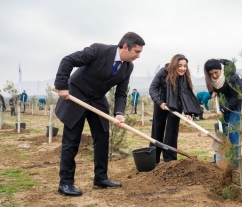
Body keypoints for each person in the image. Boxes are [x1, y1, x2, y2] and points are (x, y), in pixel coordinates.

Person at [54, 32, 145, 196]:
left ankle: (101, 178)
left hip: (97, 100)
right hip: (76, 95)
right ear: (125, 47)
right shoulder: (98, 51)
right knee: (71, 141)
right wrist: (62, 86)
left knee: (102, 138)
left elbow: (121, 93)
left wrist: (119, 113)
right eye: (136, 52)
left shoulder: (127, 67)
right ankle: (65, 183)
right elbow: (68, 60)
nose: (138, 56)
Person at [149, 55, 202, 164]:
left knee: (172, 131)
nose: (183, 68)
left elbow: (186, 95)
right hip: (162, 103)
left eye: (185, 66)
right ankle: (154, 160)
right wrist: (160, 102)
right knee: (157, 130)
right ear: (174, 65)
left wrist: (188, 113)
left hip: (176, 105)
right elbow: (153, 88)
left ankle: (170, 160)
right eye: (180, 66)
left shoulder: (184, 77)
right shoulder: (164, 72)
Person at [204, 58, 242, 165]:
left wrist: (223, 109)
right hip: (223, 106)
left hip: (236, 107)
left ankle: (235, 162)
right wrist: (213, 92)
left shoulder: (232, 77)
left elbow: (236, 96)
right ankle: (219, 159)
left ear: (221, 69)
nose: (214, 76)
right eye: (211, 74)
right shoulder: (212, 79)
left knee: (233, 133)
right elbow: (211, 86)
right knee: (222, 133)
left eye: (216, 72)